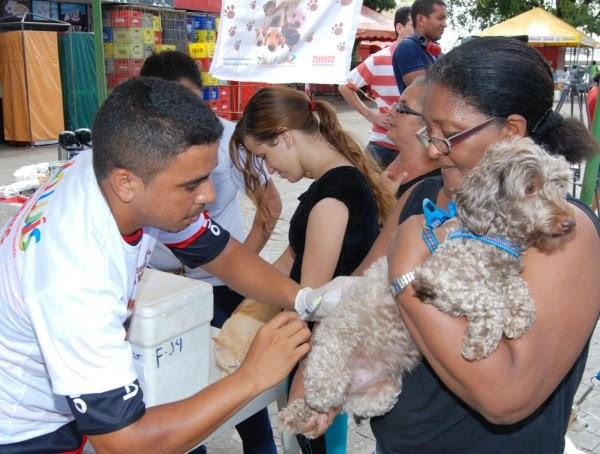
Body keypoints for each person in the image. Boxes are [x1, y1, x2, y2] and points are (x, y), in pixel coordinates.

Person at [0, 76, 348, 452]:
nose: (210, 194)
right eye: (192, 184)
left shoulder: (108, 171)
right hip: (24, 428)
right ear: (126, 183)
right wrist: (252, 376)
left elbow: (225, 256)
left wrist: (304, 299)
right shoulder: (76, 277)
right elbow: (125, 444)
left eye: (209, 176)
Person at [354, 36, 598, 452]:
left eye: (448, 135)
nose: (433, 150)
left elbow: (506, 398)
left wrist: (408, 278)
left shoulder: (559, 230)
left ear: (511, 132)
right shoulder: (423, 195)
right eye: (428, 130)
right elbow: (357, 297)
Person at [230, 85, 395, 454]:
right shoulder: (332, 183)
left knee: (313, 444)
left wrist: (298, 378)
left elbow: (310, 302)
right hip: (325, 352)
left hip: (321, 357)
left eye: (265, 154)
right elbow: (288, 260)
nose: (269, 167)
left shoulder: (333, 196)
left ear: (285, 137)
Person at [139, 50, 282, 454]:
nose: (203, 195)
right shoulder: (139, 151)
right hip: (160, 291)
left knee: (239, 385)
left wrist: (241, 264)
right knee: (171, 385)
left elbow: (271, 206)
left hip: (219, 285)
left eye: (188, 102)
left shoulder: (228, 140)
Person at [337, 6, 413, 168]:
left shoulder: (428, 59)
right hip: (384, 144)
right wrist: (371, 115)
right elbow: (344, 86)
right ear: (399, 28)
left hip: (417, 145)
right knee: (366, 189)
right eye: (414, 25)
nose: (420, 31)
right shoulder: (379, 59)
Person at [380, 76, 440, 200]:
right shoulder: (381, 162)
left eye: (401, 109)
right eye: (395, 105)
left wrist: (384, 199)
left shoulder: (437, 184)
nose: (390, 112)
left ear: (429, 122)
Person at [392, 0, 447, 94]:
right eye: (440, 18)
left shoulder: (435, 51)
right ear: (421, 19)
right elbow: (423, 93)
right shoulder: (407, 47)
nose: (445, 24)